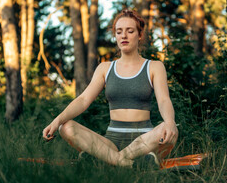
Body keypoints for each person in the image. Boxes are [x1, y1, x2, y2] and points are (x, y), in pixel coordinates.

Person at [42, 9, 178, 167]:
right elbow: (83, 99)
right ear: (115, 36)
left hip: (145, 141)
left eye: (130, 31)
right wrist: (56, 120)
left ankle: (107, 160)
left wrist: (169, 122)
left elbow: (163, 100)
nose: (124, 36)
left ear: (140, 35)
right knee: (65, 127)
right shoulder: (105, 68)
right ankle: (127, 163)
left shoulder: (154, 66)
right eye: (119, 32)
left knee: (169, 129)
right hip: (111, 143)